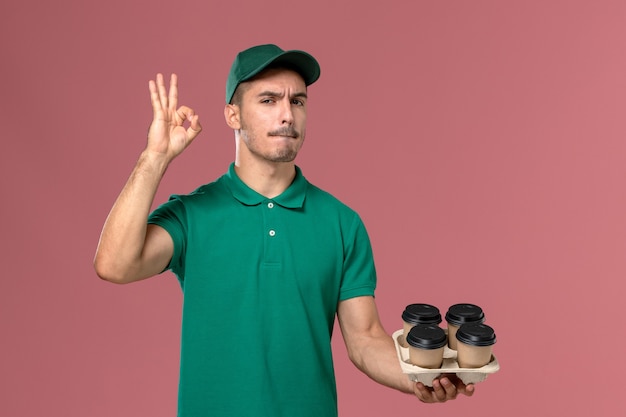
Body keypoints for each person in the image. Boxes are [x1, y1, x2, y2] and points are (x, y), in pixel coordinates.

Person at [94, 44, 474, 416]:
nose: (287, 115)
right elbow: (115, 265)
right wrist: (154, 157)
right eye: (268, 100)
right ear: (233, 115)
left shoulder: (341, 223)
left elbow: (365, 339)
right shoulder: (192, 214)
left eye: (298, 101)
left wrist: (420, 378)